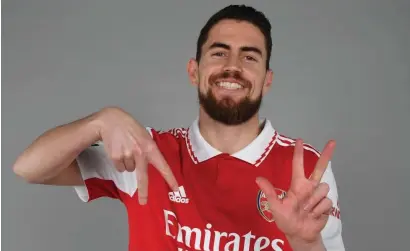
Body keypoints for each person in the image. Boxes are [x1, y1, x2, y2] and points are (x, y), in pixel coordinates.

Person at [13, 4, 345, 251]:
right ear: (194, 71)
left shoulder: (307, 169)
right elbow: (29, 168)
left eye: (249, 57)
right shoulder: (145, 150)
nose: (232, 67)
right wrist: (100, 120)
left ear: (267, 80)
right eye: (219, 53)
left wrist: (305, 243)